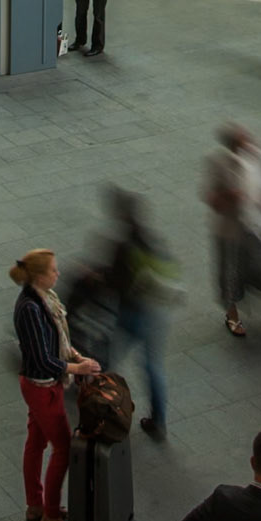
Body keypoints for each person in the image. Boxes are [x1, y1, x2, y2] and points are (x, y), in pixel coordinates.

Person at [10, 248, 100, 521]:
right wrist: (78, 366)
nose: (58, 274)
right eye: (53, 270)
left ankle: (35, 504)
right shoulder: (31, 309)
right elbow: (43, 359)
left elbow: (58, 341)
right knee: (62, 448)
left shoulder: (43, 299)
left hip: (41, 384)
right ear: (38, 276)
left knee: (36, 442)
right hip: (43, 387)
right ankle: (50, 515)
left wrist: (76, 356)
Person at [105, 189, 174, 441]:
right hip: (156, 311)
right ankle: (158, 420)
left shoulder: (122, 246)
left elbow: (114, 282)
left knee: (108, 358)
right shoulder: (151, 239)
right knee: (153, 366)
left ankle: (105, 407)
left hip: (131, 313)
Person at [203, 125, 261, 340]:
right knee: (229, 274)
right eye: (244, 139)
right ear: (233, 145)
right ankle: (232, 314)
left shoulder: (254, 157)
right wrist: (230, 195)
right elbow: (210, 198)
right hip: (230, 230)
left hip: (256, 226)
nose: (250, 142)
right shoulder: (217, 162)